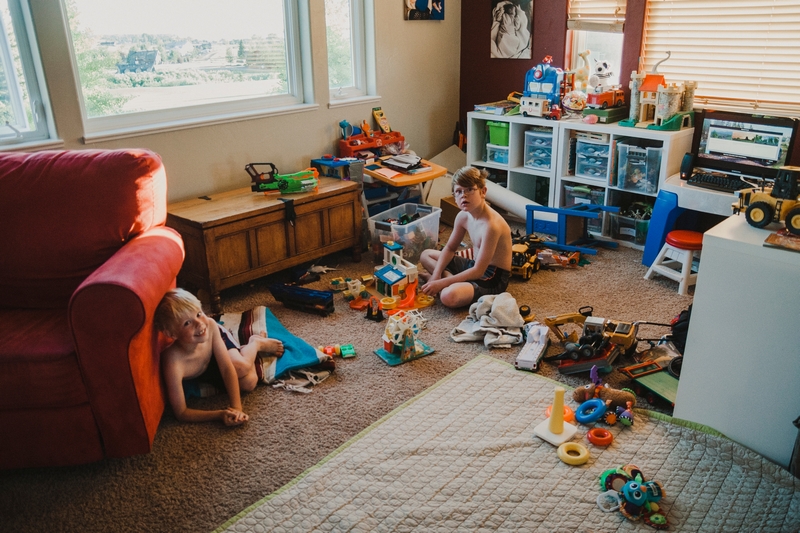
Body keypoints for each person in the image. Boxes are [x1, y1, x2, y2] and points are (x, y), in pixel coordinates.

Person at [154, 288, 284, 426]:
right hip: (206, 368)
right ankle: (251, 346)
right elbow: (181, 413)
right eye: (187, 323)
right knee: (249, 382)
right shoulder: (173, 362)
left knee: (241, 367)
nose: (199, 323)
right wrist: (221, 414)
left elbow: (227, 369)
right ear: (172, 334)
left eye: (199, 314)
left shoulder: (210, 326)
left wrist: (237, 408)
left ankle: (255, 343)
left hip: (214, 344)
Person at [420, 166, 512, 308]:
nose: (464, 195)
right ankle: (444, 279)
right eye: (459, 191)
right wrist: (436, 275)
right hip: (474, 265)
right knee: (426, 255)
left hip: (492, 277)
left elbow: (478, 271)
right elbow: (450, 248)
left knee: (448, 296)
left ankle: (447, 283)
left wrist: (441, 283)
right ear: (454, 197)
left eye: (470, 189)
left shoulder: (491, 226)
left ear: (483, 191)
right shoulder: (463, 216)